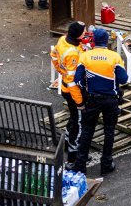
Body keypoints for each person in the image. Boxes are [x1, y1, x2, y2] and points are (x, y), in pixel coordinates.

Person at [71, 27, 128, 176]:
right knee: (109, 131)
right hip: (111, 100)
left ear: (94, 41)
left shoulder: (85, 56)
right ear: (107, 41)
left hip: (92, 99)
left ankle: (80, 165)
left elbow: (77, 79)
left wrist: (87, 88)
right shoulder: (114, 57)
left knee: (87, 130)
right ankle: (106, 163)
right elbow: (124, 79)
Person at [50, 21, 85, 162]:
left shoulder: (63, 39)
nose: (85, 32)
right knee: (78, 121)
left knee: (73, 117)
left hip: (65, 87)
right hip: (72, 91)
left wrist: (60, 71)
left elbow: (53, 55)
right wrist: (80, 101)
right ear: (78, 35)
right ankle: (73, 152)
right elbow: (72, 82)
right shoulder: (73, 55)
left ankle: (66, 142)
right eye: (83, 31)